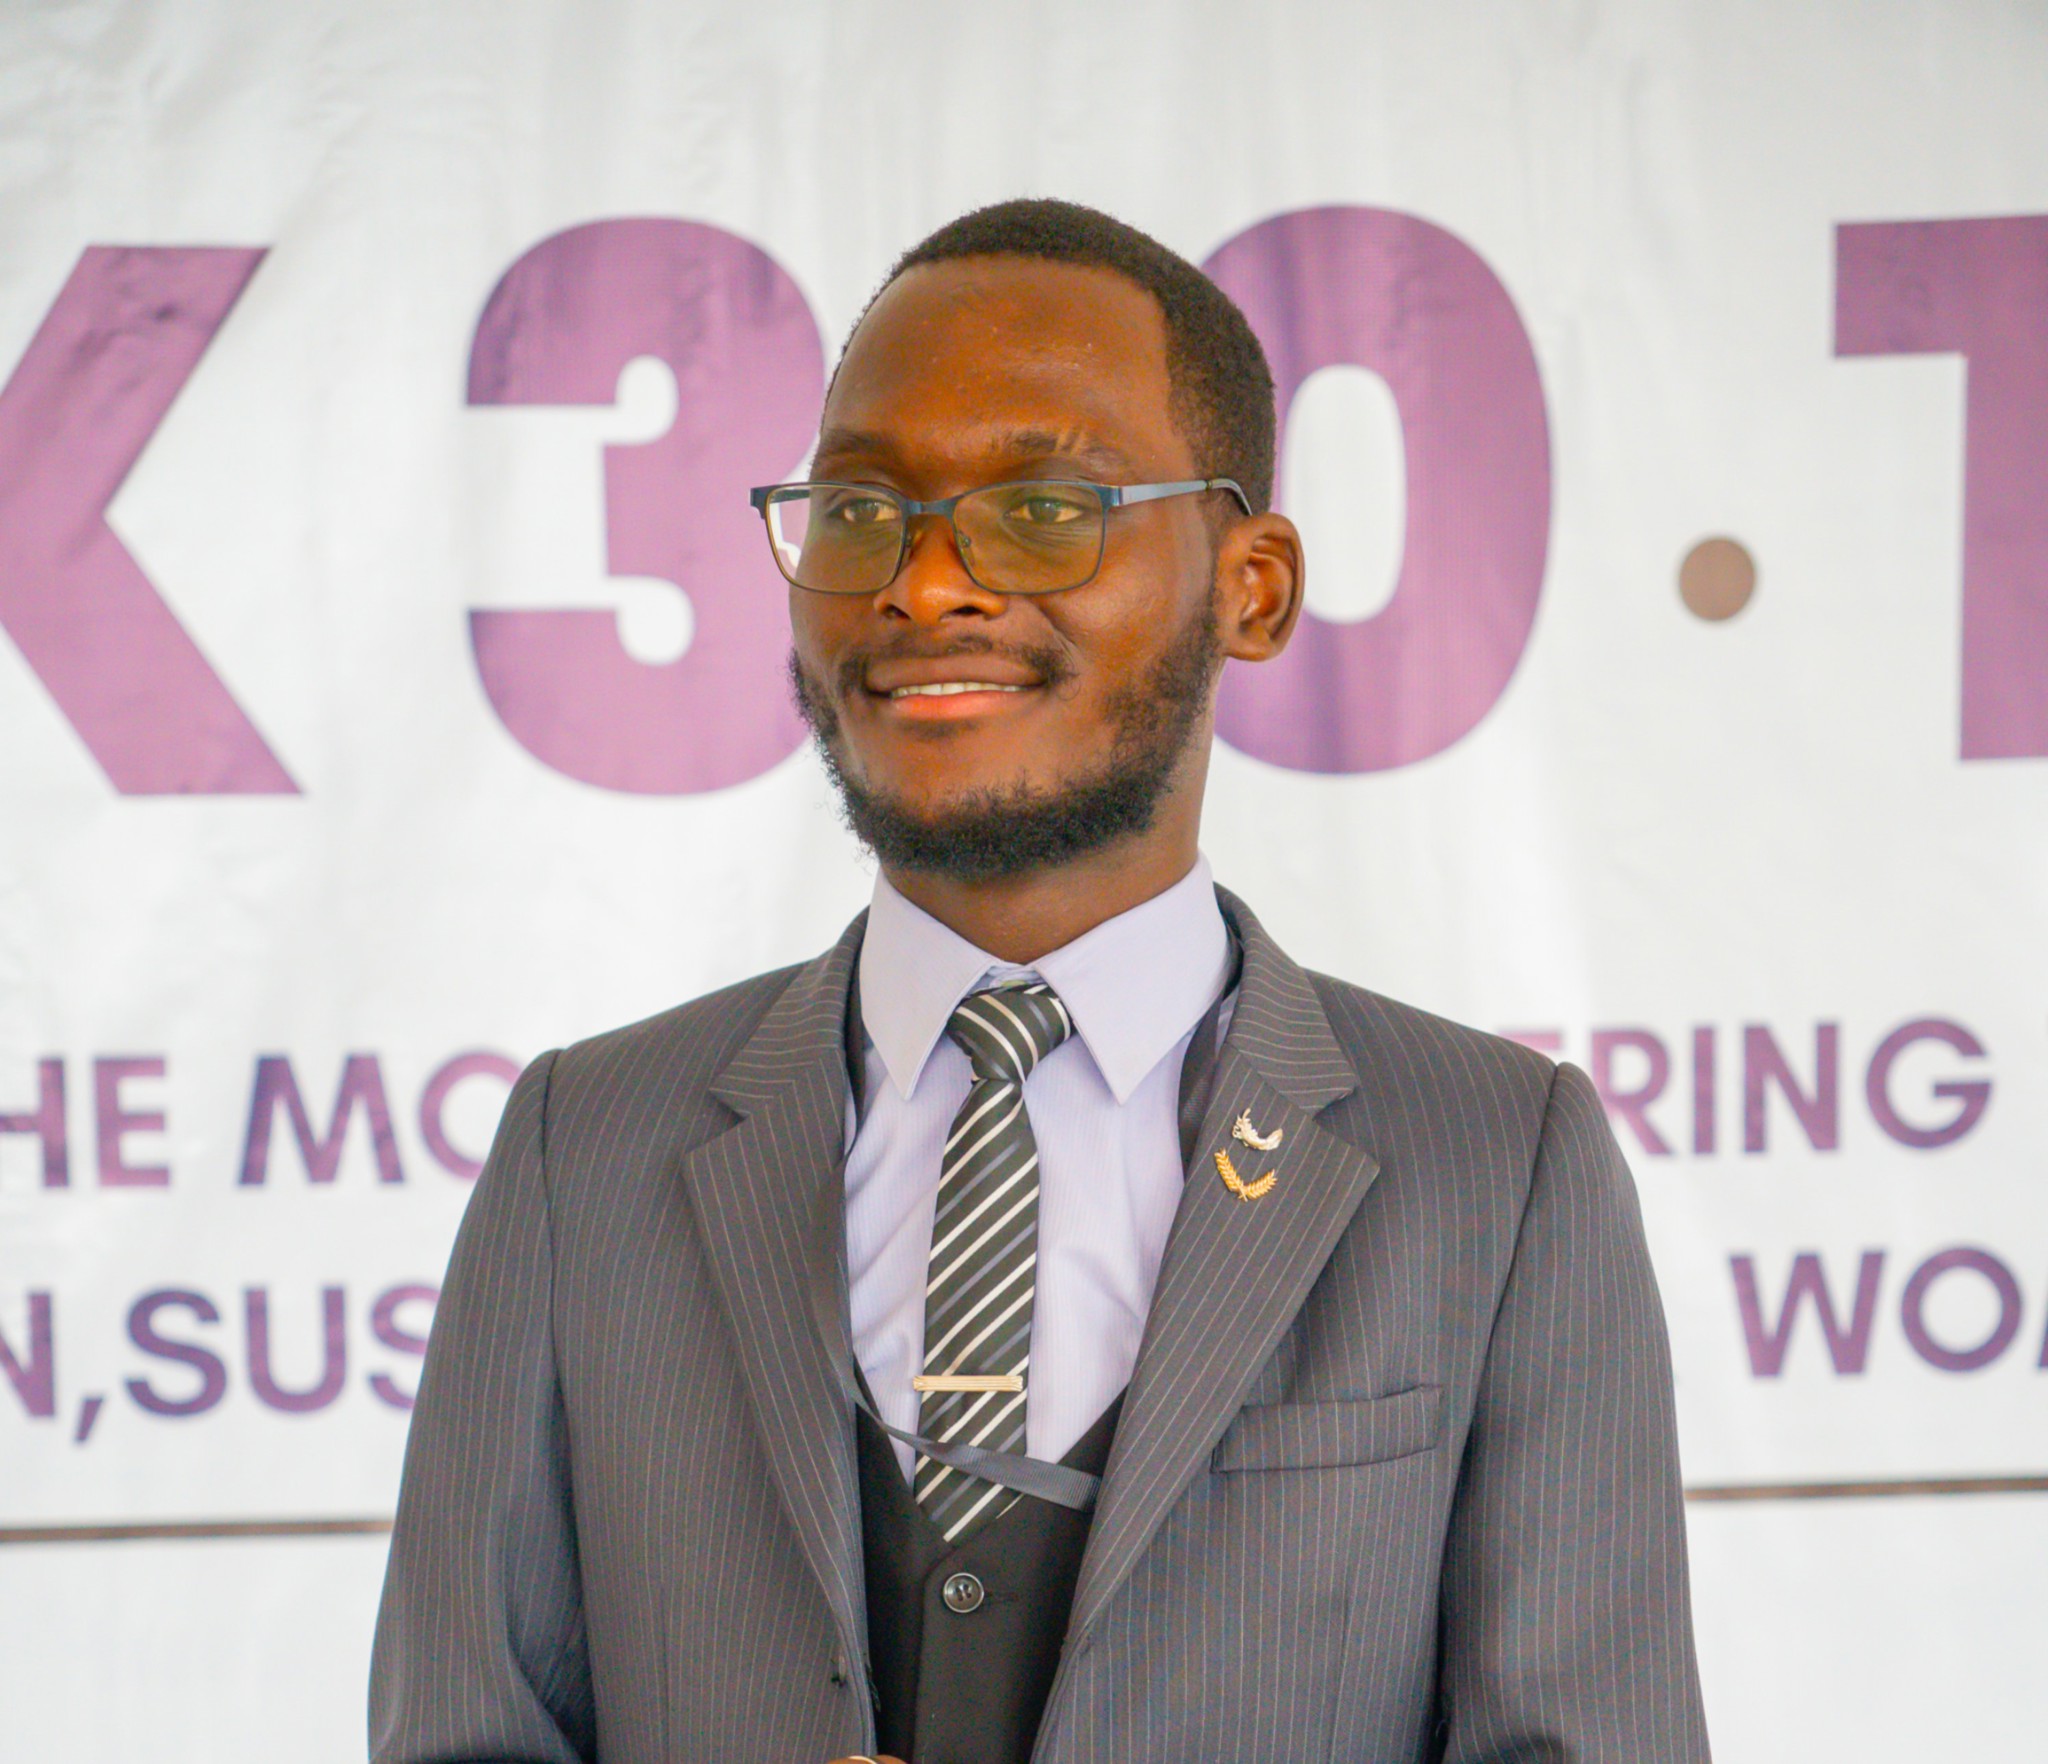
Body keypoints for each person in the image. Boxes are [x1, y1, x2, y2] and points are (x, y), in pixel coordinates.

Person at [370, 197, 1711, 1764]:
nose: (926, 584)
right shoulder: (584, 1147)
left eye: (1043, 508)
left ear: (1254, 587)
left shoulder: (1496, 1164)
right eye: (862, 508)